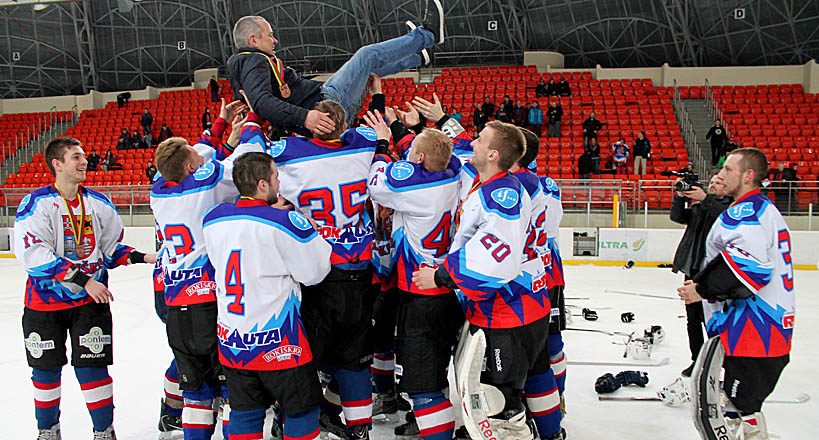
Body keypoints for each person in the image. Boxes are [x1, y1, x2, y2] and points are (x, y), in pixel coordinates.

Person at [242, 95, 381, 438]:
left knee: (306, 358)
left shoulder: (290, 153)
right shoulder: (363, 147)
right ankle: (360, 429)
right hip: (360, 270)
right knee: (355, 359)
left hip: (318, 272)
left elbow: (252, 155)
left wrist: (254, 114)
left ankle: (289, 419)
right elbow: (369, 137)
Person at [413, 121, 550, 438]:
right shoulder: (487, 182)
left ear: (492, 154)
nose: (472, 142)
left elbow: (498, 254)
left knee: (499, 403)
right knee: (490, 395)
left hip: (509, 312)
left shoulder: (501, 194)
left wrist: (441, 275)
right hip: (504, 309)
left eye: (479, 139)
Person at [15, 137, 156, 439]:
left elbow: (109, 249)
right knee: (45, 373)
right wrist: (84, 280)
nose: (84, 162)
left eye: (83, 156)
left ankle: (104, 431)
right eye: (76, 157)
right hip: (44, 305)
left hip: (89, 305)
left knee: (93, 370)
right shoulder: (36, 203)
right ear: (57, 164)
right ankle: (48, 430)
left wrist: (144, 256)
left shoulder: (99, 204)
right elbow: (33, 255)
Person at [202, 152, 331, 440]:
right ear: (263, 185)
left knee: (245, 413)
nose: (278, 181)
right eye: (275, 176)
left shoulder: (212, 219)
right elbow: (315, 273)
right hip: (280, 342)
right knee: (302, 412)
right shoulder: (285, 222)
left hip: (233, 339)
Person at [150, 98, 255, 440]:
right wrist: (253, 120)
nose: (202, 156)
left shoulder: (158, 190)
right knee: (228, 392)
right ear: (192, 168)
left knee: (196, 395)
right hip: (209, 303)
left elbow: (194, 155)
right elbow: (243, 164)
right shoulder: (207, 183)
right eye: (197, 158)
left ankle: (173, 416)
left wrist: (220, 129)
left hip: (175, 303)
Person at [678, 148, 794, 439]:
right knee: (739, 404)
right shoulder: (762, 209)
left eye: (728, 169)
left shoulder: (746, 211)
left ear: (748, 175)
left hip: (755, 331)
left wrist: (701, 290)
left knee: (740, 404)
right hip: (765, 328)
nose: (721, 174)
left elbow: (750, 267)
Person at [365, 111, 463, 440]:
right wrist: (406, 130)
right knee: (434, 372)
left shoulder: (415, 188)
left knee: (423, 385)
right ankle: (426, 421)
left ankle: (434, 429)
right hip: (444, 287)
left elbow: (377, 183)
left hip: (423, 293)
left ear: (419, 159)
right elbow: (446, 149)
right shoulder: (453, 171)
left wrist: (381, 141)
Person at [227, 7, 441, 136]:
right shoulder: (253, 61)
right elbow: (262, 102)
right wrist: (306, 117)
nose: (274, 41)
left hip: (325, 107)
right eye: (269, 35)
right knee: (366, 56)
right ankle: (427, 35)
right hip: (324, 104)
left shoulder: (248, 65)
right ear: (253, 40)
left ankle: (416, 57)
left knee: (367, 68)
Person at [670, 175, 732, 376]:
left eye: (718, 183)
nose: (713, 185)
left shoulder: (729, 209)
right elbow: (677, 217)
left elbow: (723, 219)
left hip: (712, 272)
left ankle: (720, 361)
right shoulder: (699, 208)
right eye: (711, 182)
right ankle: (696, 360)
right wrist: (680, 197)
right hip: (693, 270)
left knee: (713, 319)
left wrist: (705, 199)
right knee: (693, 320)